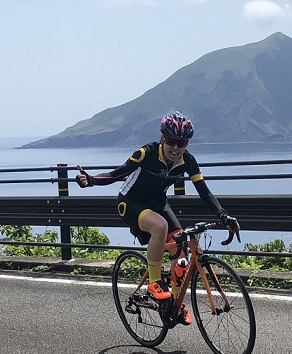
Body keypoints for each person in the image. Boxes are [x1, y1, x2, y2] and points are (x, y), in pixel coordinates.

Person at [76, 112, 238, 325]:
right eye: (171, 141)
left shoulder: (188, 160)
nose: (176, 147)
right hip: (131, 202)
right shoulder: (146, 153)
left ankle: (176, 306)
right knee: (160, 226)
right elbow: (118, 174)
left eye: (182, 142)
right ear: (163, 138)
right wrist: (92, 181)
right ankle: (154, 283)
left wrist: (223, 215)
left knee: (181, 247)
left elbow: (203, 191)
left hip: (159, 204)